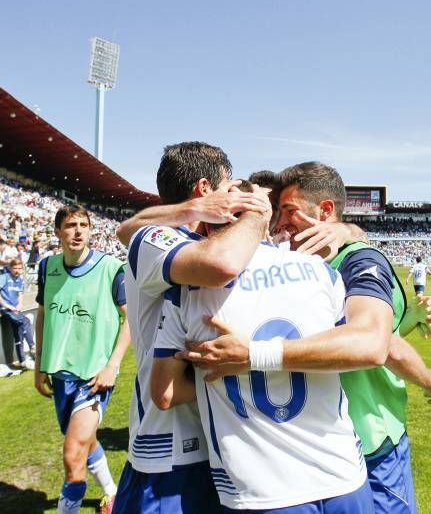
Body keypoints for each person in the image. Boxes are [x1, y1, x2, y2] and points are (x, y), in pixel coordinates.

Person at [181, 162, 431, 514]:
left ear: (325, 212)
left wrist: (429, 379)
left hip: (371, 433)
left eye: (289, 212)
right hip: (314, 448)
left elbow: (382, 344)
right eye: (277, 213)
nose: (279, 224)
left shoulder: (357, 261)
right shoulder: (295, 264)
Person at [151, 194, 373, 512]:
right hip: (344, 477)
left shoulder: (187, 291)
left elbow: (166, 393)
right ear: (265, 223)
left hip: (262, 490)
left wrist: (222, 380)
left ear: (209, 226)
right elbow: (358, 348)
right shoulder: (320, 271)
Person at [111, 142, 273, 514]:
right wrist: (254, 213)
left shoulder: (198, 238)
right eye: (227, 187)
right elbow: (220, 264)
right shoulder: (158, 239)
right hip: (168, 455)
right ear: (204, 189)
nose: (234, 195)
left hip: (223, 444)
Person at [34, 204, 131, 514]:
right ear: (58, 232)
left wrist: (112, 366)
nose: (77, 231)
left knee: (72, 454)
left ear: (91, 230)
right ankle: (113, 493)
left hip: (93, 377)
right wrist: (39, 366)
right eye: (70, 225)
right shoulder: (47, 268)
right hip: (60, 374)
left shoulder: (111, 268)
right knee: (84, 442)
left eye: (83, 225)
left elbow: (131, 319)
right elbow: (43, 314)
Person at [0, 258, 35, 369]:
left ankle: (22, 361)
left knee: (18, 332)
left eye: (19, 268)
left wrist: (20, 304)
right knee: (25, 321)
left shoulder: (19, 279)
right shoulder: (5, 277)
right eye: (15, 268)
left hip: (15, 310)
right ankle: (32, 346)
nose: (17, 270)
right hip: (7, 310)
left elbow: (20, 293)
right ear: (10, 268)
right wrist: (6, 305)